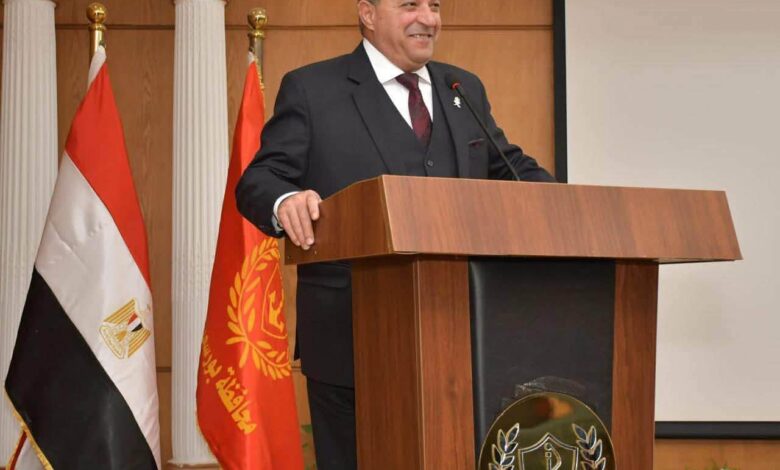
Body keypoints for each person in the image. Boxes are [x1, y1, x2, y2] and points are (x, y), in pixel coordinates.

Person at [236, 0, 556, 468]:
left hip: (461, 338)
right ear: (368, 14)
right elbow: (259, 180)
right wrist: (286, 201)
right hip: (350, 340)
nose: (428, 18)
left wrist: (570, 208)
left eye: (434, 5)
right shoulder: (312, 89)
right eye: (410, 5)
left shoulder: (462, 88)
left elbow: (508, 167)